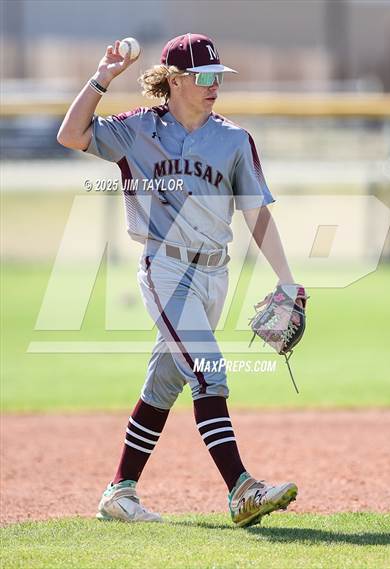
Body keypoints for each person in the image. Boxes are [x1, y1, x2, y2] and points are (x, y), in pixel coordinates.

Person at [57, 33, 304, 528]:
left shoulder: (234, 139)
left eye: (218, 76)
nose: (215, 85)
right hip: (165, 268)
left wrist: (287, 281)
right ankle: (241, 489)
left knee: (164, 383)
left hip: (215, 274)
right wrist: (102, 78)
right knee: (208, 370)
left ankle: (119, 492)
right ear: (174, 81)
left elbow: (257, 215)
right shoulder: (137, 129)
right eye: (204, 76)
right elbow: (71, 134)